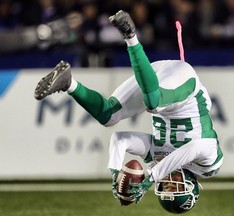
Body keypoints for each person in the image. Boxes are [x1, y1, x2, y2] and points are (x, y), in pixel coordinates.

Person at [34, 10, 223, 213]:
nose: (168, 179)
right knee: (154, 103)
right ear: (191, 185)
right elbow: (193, 149)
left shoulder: (156, 157)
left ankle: (68, 82)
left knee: (108, 115)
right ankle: (130, 35)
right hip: (184, 84)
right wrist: (152, 177)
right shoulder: (209, 165)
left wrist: (115, 172)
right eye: (175, 184)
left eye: (165, 186)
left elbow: (120, 139)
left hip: (155, 78)